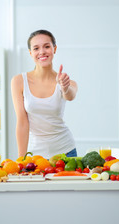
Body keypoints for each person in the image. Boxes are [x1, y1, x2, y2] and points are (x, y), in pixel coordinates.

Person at [11, 29, 78, 159]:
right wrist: (21, 159)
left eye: (47, 46)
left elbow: (70, 95)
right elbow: (22, 122)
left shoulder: (65, 81)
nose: (42, 52)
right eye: (36, 48)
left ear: (54, 49)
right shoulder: (19, 81)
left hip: (66, 152)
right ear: (31, 53)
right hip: (34, 155)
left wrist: (64, 88)